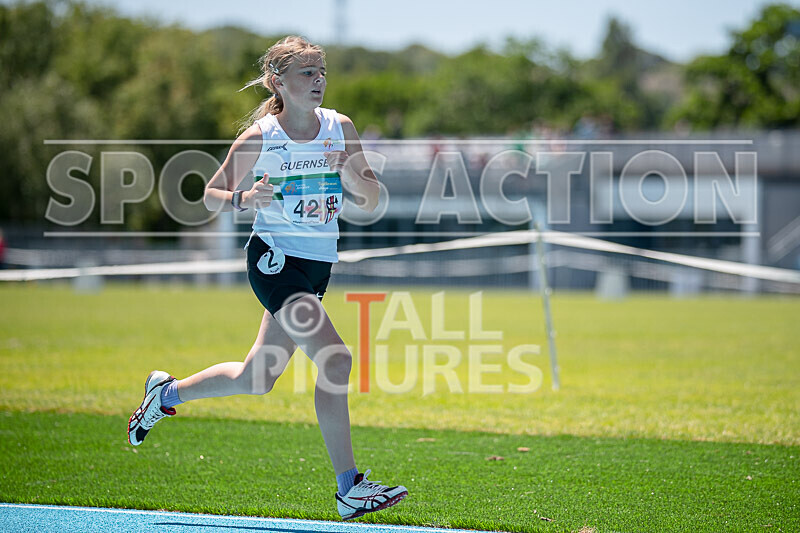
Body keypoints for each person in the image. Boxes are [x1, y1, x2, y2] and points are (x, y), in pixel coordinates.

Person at [127, 36, 407, 521]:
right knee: (336, 359)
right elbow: (210, 194)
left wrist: (350, 173)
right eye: (307, 73)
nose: (318, 81)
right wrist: (244, 199)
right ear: (278, 81)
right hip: (275, 261)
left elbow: (373, 200)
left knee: (256, 378)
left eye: (322, 72)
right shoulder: (262, 137)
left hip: (317, 266)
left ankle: (165, 393)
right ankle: (349, 488)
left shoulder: (340, 127)